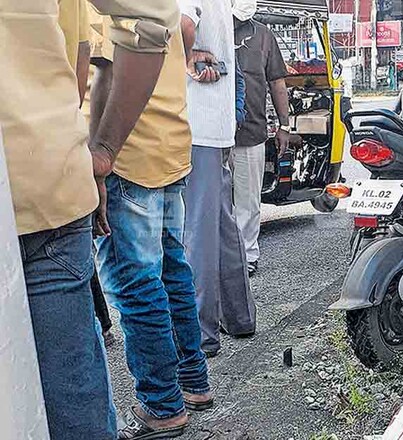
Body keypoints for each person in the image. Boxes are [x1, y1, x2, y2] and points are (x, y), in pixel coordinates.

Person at [0, 0, 178, 438]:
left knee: (138, 282)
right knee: (73, 389)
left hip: (106, 173)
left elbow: (95, 64)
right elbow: (93, 50)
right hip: (47, 182)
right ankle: (175, 394)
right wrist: (95, 152)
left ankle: (169, 400)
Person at [88, 3, 214, 437]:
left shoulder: (109, 9)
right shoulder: (166, 7)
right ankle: (192, 381)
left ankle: (161, 405)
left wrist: (96, 158)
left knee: (136, 284)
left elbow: (104, 74)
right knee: (171, 271)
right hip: (171, 146)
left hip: (126, 153)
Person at [181, 0, 257, 358]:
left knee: (198, 232)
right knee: (222, 226)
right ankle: (239, 316)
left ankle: (201, 335)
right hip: (217, 125)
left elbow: (183, 24)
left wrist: (181, 57)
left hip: (194, 123)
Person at [59, 0, 116, 347]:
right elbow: (85, 61)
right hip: (62, 153)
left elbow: (97, 64)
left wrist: (99, 154)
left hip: (70, 153)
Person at [231, 0, 291, 276]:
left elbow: (277, 83)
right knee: (210, 201)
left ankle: (248, 255)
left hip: (251, 132)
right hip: (211, 134)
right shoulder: (205, 30)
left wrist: (284, 126)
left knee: (248, 200)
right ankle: (218, 257)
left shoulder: (263, 36)